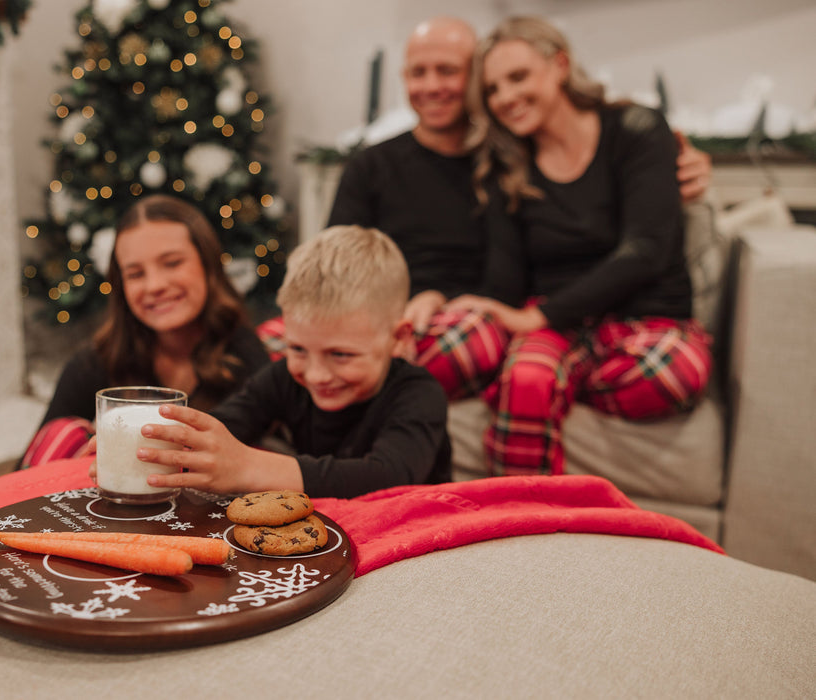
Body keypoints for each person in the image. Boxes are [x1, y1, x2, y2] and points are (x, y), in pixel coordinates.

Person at [302, 15, 714, 400]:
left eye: (448, 71)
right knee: (520, 377)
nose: (431, 86)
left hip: (507, 319)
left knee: (508, 363)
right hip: (421, 315)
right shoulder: (383, 165)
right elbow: (336, 268)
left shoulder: (516, 155)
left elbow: (643, 244)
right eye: (417, 72)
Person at [459, 16, 713, 476]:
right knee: (527, 375)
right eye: (493, 89)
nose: (506, 98)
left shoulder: (635, 126)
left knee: (675, 372)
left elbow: (646, 249)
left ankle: (557, 391)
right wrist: (489, 310)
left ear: (560, 65)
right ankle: (522, 522)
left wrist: (537, 318)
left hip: (646, 316)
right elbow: (507, 276)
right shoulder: (505, 163)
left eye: (518, 77)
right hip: (563, 328)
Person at [134, 226, 451, 499]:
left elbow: (388, 476)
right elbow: (226, 423)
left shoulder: (419, 393)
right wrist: (147, 445)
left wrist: (249, 466)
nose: (315, 375)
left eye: (340, 354)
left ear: (399, 337)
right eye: (298, 349)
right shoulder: (284, 377)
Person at [20, 194, 271, 468]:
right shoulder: (94, 363)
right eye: (136, 274)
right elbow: (27, 471)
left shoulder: (246, 356)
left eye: (172, 263)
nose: (154, 286)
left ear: (208, 265)